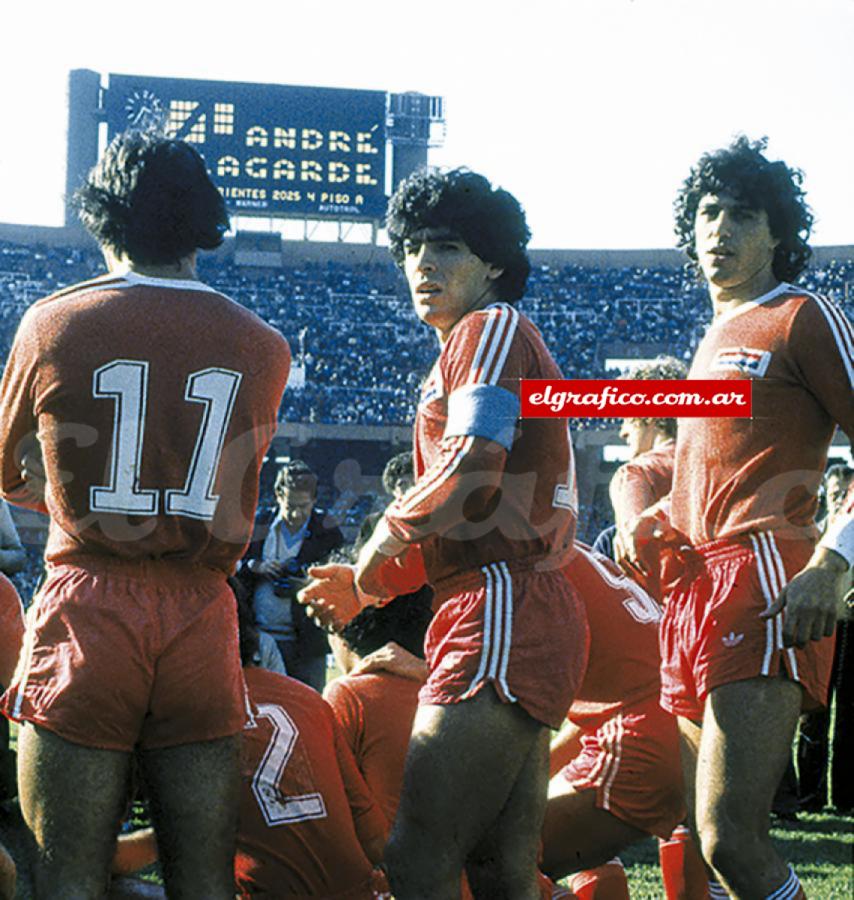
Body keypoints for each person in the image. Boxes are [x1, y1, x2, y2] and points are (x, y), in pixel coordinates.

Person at [0, 129, 291, 897]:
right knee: (203, 878)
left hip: (90, 597)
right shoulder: (263, 344)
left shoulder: (52, 322)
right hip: (201, 606)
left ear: (102, 217)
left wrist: (70, 491)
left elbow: (8, 471)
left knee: (67, 876)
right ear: (204, 219)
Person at [300, 167, 586, 899]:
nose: (424, 264)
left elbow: (473, 468)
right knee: (501, 870)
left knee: (419, 858)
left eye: (448, 246)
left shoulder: (488, 327)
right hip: (519, 601)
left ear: (492, 261)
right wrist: (377, 581)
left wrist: (382, 539)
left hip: (498, 605)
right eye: (413, 248)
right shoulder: (482, 338)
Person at [627, 136, 853, 899]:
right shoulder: (710, 341)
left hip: (761, 576)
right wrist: (653, 514)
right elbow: (713, 468)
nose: (720, 227)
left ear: (778, 234)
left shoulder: (800, 316)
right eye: (708, 212)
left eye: (743, 215)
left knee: (731, 840)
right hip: (692, 588)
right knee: (696, 840)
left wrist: (833, 559)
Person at [113, 579, 390, 898]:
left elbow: (169, 841)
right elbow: (374, 838)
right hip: (362, 892)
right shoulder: (307, 699)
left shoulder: (172, 714)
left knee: (87, 876)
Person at [543, 544, 708, 900]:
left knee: (487, 859)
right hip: (682, 725)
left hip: (640, 735)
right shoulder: (569, 550)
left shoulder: (519, 560)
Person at [324, 587, 435, 824]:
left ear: (339, 630)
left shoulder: (349, 695)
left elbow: (327, 799)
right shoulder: (456, 687)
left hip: (385, 855)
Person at [239, 459, 343, 691]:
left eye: (303, 507)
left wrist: (307, 584)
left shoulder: (327, 531)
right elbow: (234, 566)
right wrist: (256, 566)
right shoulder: (258, 524)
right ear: (278, 495)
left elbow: (340, 578)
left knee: (308, 705)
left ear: (314, 500)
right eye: (290, 506)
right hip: (261, 640)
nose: (296, 514)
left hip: (306, 643)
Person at [797, 463, 854, 812]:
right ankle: (810, 794)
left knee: (849, 711)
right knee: (813, 710)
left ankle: (846, 795)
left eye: (844, 495)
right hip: (819, 628)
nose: (838, 501)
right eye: (834, 495)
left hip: (850, 627)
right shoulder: (810, 535)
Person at [611, 356, 687, 599]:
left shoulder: (636, 473)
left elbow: (634, 558)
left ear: (649, 416)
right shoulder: (710, 464)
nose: (622, 431)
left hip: (667, 616)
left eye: (627, 418)